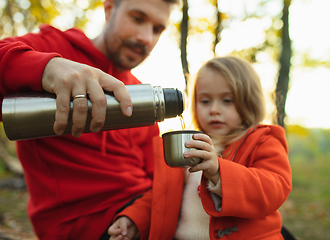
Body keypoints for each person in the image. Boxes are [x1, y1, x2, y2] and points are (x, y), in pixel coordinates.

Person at [0, 0, 179, 239]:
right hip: (86, 225)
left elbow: (159, 178)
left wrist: (142, 215)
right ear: (109, 10)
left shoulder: (140, 93)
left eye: (157, 29)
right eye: (137, 18)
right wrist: (48, 68)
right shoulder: (54, 49)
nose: (146, 37)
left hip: (141, 216)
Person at [108, 56, 293, 240]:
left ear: (249, 102)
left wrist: (219, 172)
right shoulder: (189, 144)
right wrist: (133, 220)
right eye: (205, 101)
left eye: (227, 100)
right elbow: (163, 198)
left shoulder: (263, 141)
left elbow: (272, 189)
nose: (214, 109)